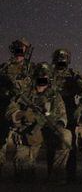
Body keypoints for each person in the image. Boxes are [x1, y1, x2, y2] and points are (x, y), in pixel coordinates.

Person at [5, 62, 72, 182]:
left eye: (45, 78)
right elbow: (10, 112)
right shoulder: (24, 94)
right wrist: (23, 114)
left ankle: (57, 174)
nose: (42, 81)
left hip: (48, 132)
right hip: (29, 134)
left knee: (65, 135)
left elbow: (63, 116)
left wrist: (58, 126)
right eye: (39, 78)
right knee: (24, 178)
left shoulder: (54, 96)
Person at [0, 38, 34, 176]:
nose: (21, 50)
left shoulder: (33, 69)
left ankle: (23, 166)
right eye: (18, 47)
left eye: (23, 47)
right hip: (4, 108)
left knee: (24, 174)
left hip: (25, 110)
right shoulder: (4, 68)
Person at [51, 48, 82, 181]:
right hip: (52, 108)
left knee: (69, 140)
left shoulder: (73, 74)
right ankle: (53, 172)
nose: (62, 60)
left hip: (69, 107)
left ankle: (71, 174)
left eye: (64, 58)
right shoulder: (49, 73)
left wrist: (80, 84)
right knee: (53, 140)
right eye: (60, 58)